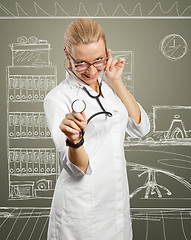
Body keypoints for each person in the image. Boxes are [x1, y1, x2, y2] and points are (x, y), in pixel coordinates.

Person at [44, 18, 150, 240]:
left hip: (116, 203)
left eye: (99, 60)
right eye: (81, 63)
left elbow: (141, 128)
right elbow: (76, 168)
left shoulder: (110, 89)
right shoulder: (57, 98)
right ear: (67, 53)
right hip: (81, 205)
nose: (92, 71)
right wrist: (75, 140)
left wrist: (116, 82)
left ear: (107, 53)